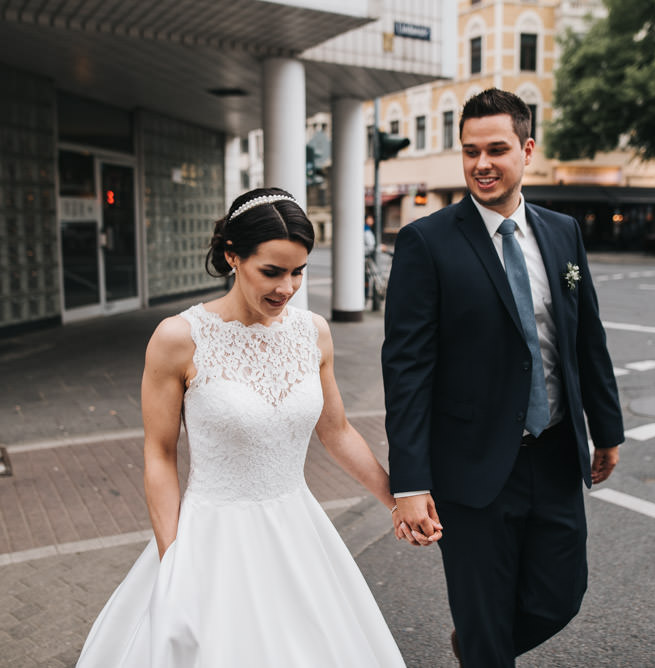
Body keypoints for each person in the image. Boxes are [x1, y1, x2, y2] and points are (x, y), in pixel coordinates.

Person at [77, 188, 405, 667]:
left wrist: (398, 500)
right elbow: (159, 456)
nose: (286, 288)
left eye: (297, 271)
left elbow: (336, 432)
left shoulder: (313, 331)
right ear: (232, 256)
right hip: (213, 539)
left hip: (298, 532)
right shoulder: (177, 338)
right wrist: (173, 563)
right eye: (271, 272)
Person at [382, 89, 624, 667]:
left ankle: (479, 649)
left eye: (496, 149)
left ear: (528, 149)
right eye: (470, 152)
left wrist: (607, 430)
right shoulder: (427, 242)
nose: (481, 164)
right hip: (472, 468)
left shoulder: (562, 232)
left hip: (556, 455)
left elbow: (587, 337)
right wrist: (409, 484)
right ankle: (484, 649)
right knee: (485, 617)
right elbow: (407, 370)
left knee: (561, 595)